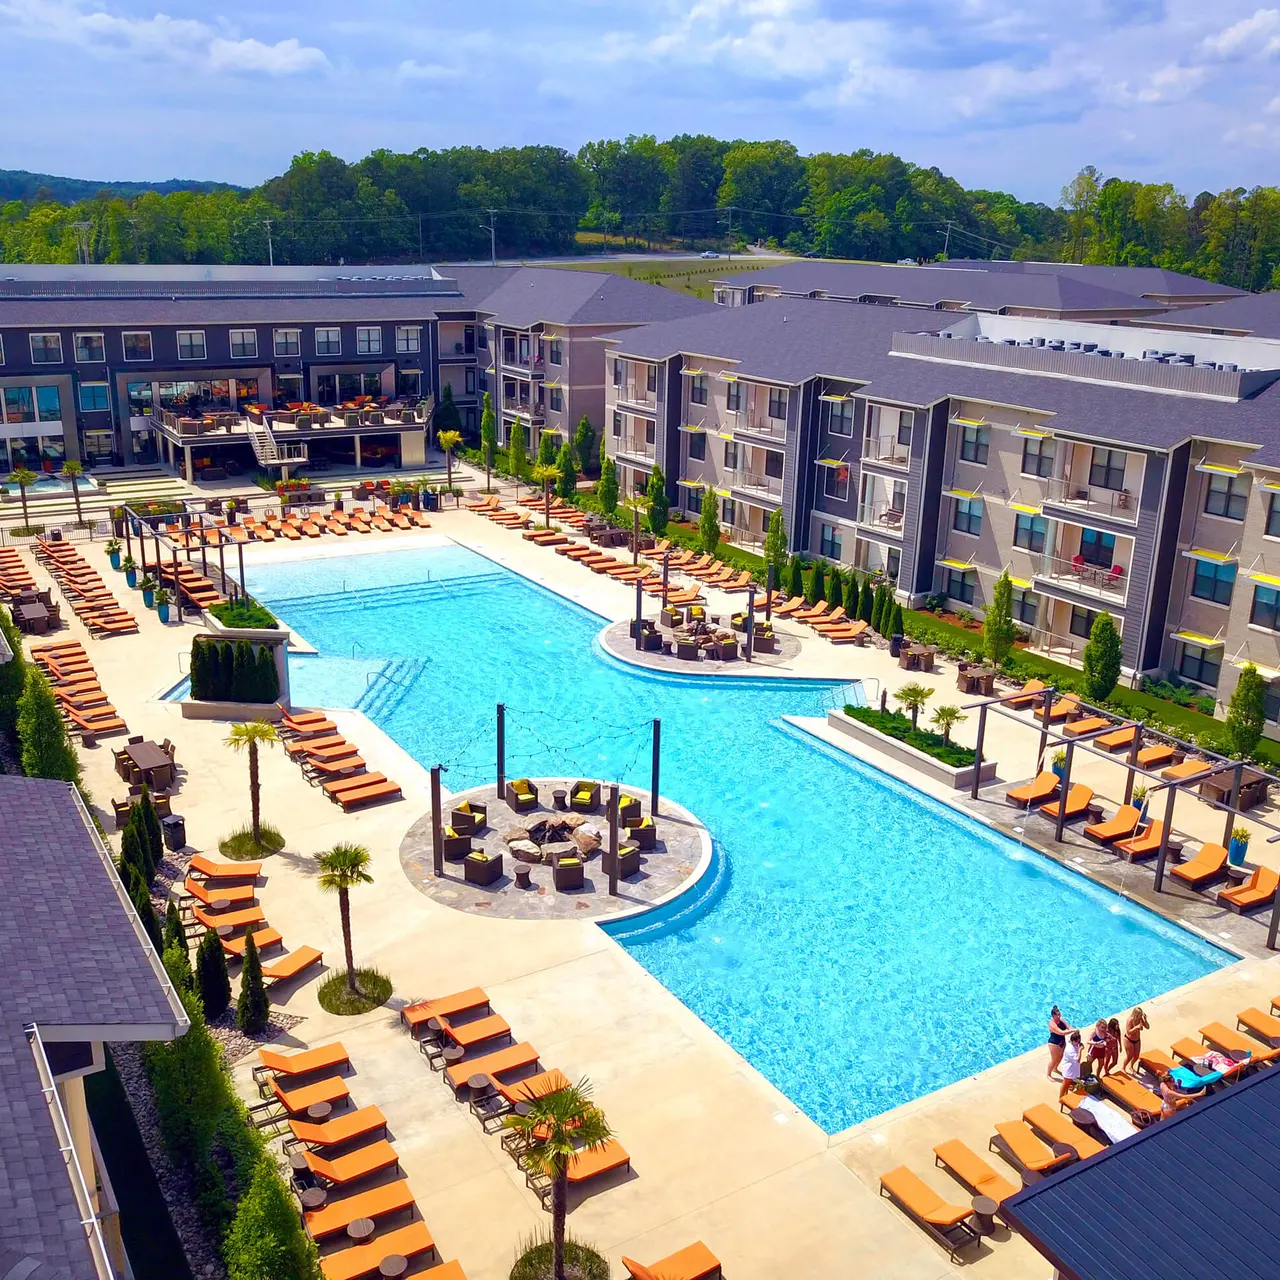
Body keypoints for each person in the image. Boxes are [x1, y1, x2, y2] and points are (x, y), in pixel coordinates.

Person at [1047, 1006, 1074, 1079]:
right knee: (1054, 1059)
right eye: (1057, 1015)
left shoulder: (1061, 1020)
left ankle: (1055, 1068)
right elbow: (1061, 1032)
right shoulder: (1052, 1024)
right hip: (1054, 1043)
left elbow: (1068, 1026)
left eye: (1059, 1015)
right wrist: (1073, 1031)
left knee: (1061, 1056)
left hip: (1062, 1041)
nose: (1059, 1016)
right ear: (1053, 1016)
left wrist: (1073, 1030)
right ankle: (1048, 1074)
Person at [1059, 1031, 1085, 1100]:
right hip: (1068, 1068)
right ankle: (1061, 1098)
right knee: (1065, 1083)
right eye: (1077, 1042)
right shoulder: (1070, 1050)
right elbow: (1078, 1060)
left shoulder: (1073, 1043)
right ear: (1073, 1041)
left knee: (1068, 1083)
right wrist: (1080, 1050)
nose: (1078, 1043)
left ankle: (1065, 1095)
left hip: (1072, 1067)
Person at [1123, 1007, 1149, 1074]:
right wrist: (1136, 1027)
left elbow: (1148, 1027)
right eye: (1140, 1014)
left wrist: (1145, 1021)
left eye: (1141, 1014)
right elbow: (1129, 1032)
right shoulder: (1130, 1020)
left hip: (1137, 1039)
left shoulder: (1140, 1019)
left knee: (1136, 1056)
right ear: (1136, 1014)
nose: (1141, 1016)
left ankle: (1131, 1066)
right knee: (1129, 1056)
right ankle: (1123, 1067)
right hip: (1129, 1039)